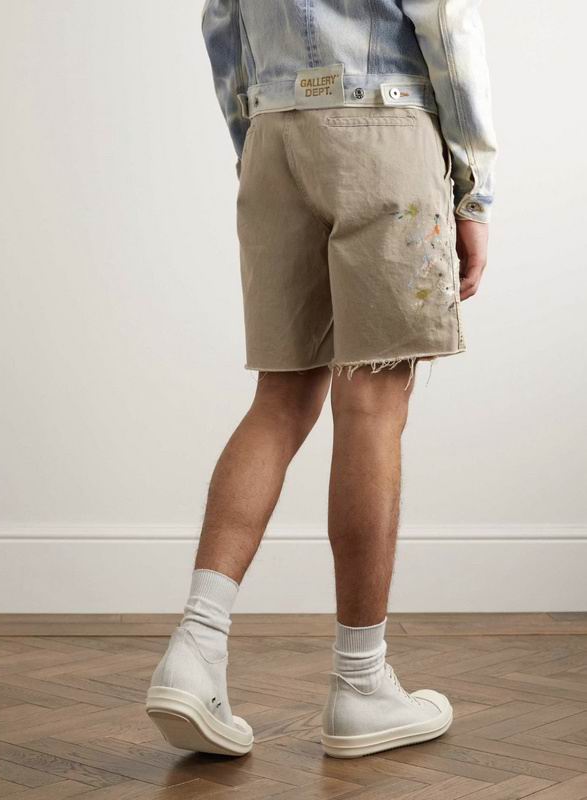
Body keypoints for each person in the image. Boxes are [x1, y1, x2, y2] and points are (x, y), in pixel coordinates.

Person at [146, 0, 497, 759]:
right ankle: (361, 685)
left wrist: (257, 143)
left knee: (280, 398)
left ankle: (195, 650)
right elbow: (445, 22)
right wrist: (473, 190)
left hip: (274, 138)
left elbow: (221, 23)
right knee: (371, 402)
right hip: (383, 128)